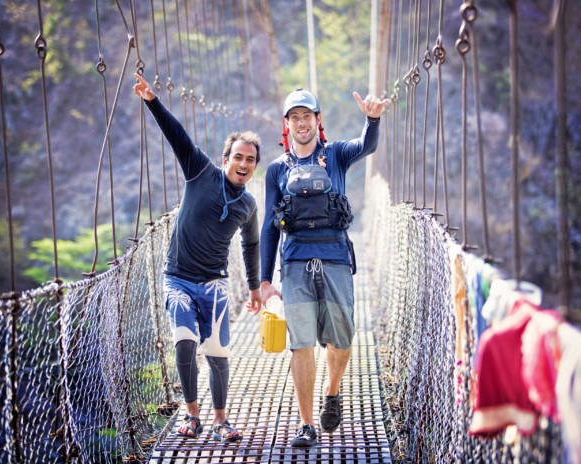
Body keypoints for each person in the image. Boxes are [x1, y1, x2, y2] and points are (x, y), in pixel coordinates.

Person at [133, 73, 262, 442]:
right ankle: (191, 415)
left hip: (215, 282)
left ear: (254, 166)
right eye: (238, 156)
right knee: (185, 338)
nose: (243, 163)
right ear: (225, 159)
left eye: (250, 160)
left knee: (217, 349)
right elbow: (178, 136)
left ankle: (221, 419)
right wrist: (152, 101)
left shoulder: (249, 206)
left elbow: (251, 246)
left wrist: (254, 288)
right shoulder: (200, 170)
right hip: (178, 278)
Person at [260, 88, 389, 447]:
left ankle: (332, 392)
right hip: (296, 262)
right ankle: (306, 424)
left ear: (318, 120)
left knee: (342, 339)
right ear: (287, 125)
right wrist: (264, 280)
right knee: (301, 343)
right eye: (295, 117)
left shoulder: (336, 155)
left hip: (335, 258)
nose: (302, 123)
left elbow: (367, 145)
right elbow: (270, 225)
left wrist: (373, 118)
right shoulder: (276, 170)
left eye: (308, 116)